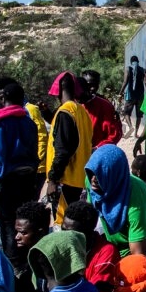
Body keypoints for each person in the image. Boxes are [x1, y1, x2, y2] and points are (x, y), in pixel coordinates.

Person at [0, 82, 40, 279]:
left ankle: (14, 269)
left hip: (10, 180)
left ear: (3, 98)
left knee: (8, 225)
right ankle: (27, 265)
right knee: (25, 223)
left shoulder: (1, 122)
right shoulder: (28, 121)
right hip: (29, 179)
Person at [84, 144, 146, 264]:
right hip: (118, 237)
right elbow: (89, 218)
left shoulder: (135, 198)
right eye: (92, 172)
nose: (93, 178)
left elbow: (138, 256)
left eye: (101, 173)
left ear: (115, 173)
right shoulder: (91, 181)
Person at [45, 71, 94, 222]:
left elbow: (63, 150)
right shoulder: (82, 111)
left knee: (64, 226)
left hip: (65, 181)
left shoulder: (65, 112)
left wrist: (53, 180)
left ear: (59, 89)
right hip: (80, 180)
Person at [60, 200, 120, 289]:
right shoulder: (61, 245)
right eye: (63, 229)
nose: (65, 236)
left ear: (88, 232)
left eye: (72, 233)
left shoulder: (107, 252)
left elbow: (95, 291)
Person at [80, 69, 124, 148]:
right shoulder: (74, 105)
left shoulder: (105, 106)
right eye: (89, 85)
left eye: (95, 85)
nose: (93, 88)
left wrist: (97, 149)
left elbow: (114, 134)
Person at [120, 55, 146, 134]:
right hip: (140, 95)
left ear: (131, 62)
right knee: (139, 115)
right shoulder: (142, 70)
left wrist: (120, 93)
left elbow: (125, 82)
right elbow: (145, 82)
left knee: (126, 113)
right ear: (138, 61)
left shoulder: (128, 69)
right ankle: (136, 133)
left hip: (130, 95)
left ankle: (131, 127)